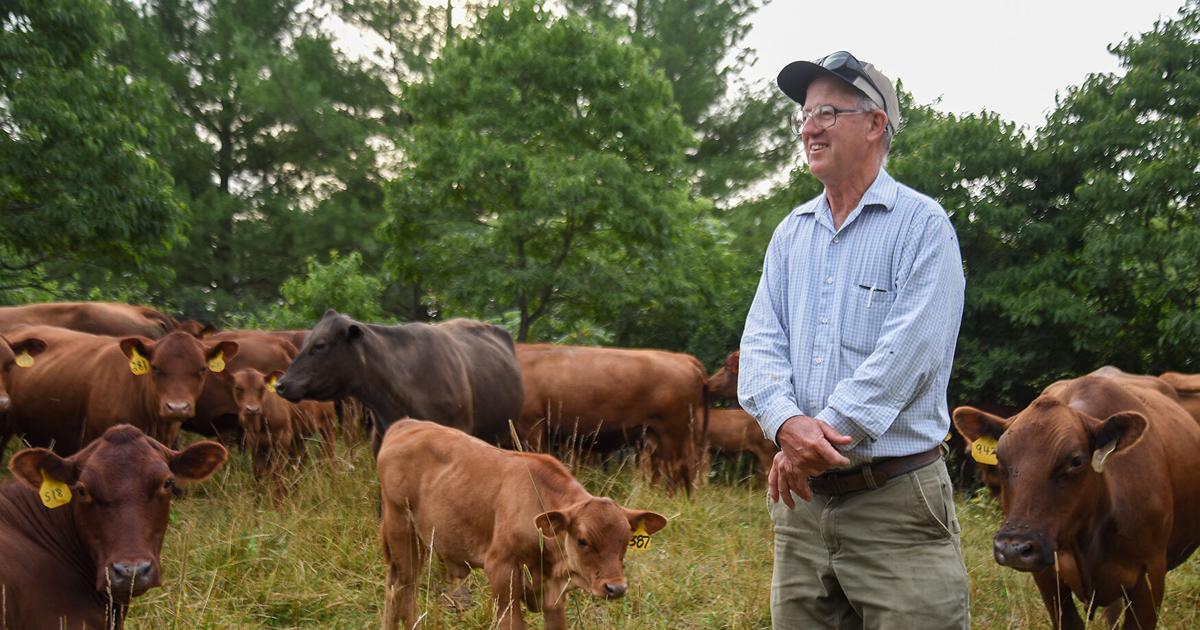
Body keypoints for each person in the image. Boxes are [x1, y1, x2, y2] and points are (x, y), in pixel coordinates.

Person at [738, 50, 969, 629]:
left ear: (875, 124)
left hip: (895, 505)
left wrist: (811, 442)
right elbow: (761, 345)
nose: (808, 127)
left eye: (827, 113)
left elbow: (909, 354)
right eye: (806, 115)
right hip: (803, 512)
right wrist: (787, 426)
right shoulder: (791, 234)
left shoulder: (922, 226)